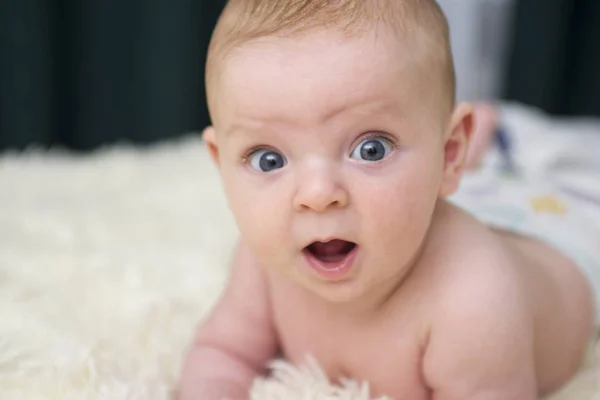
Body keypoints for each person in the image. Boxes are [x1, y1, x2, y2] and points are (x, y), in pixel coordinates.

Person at [177, 1, 599, 399]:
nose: (318, 195)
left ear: (449, 152)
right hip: (465, 205)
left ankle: (500, 133)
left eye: (371, 149)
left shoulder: (473, 299)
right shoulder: (264, 263)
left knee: (567, 171)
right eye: (269, 160)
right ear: (221, 163)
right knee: (476, 186)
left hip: (564, 237)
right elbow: (222, 354)